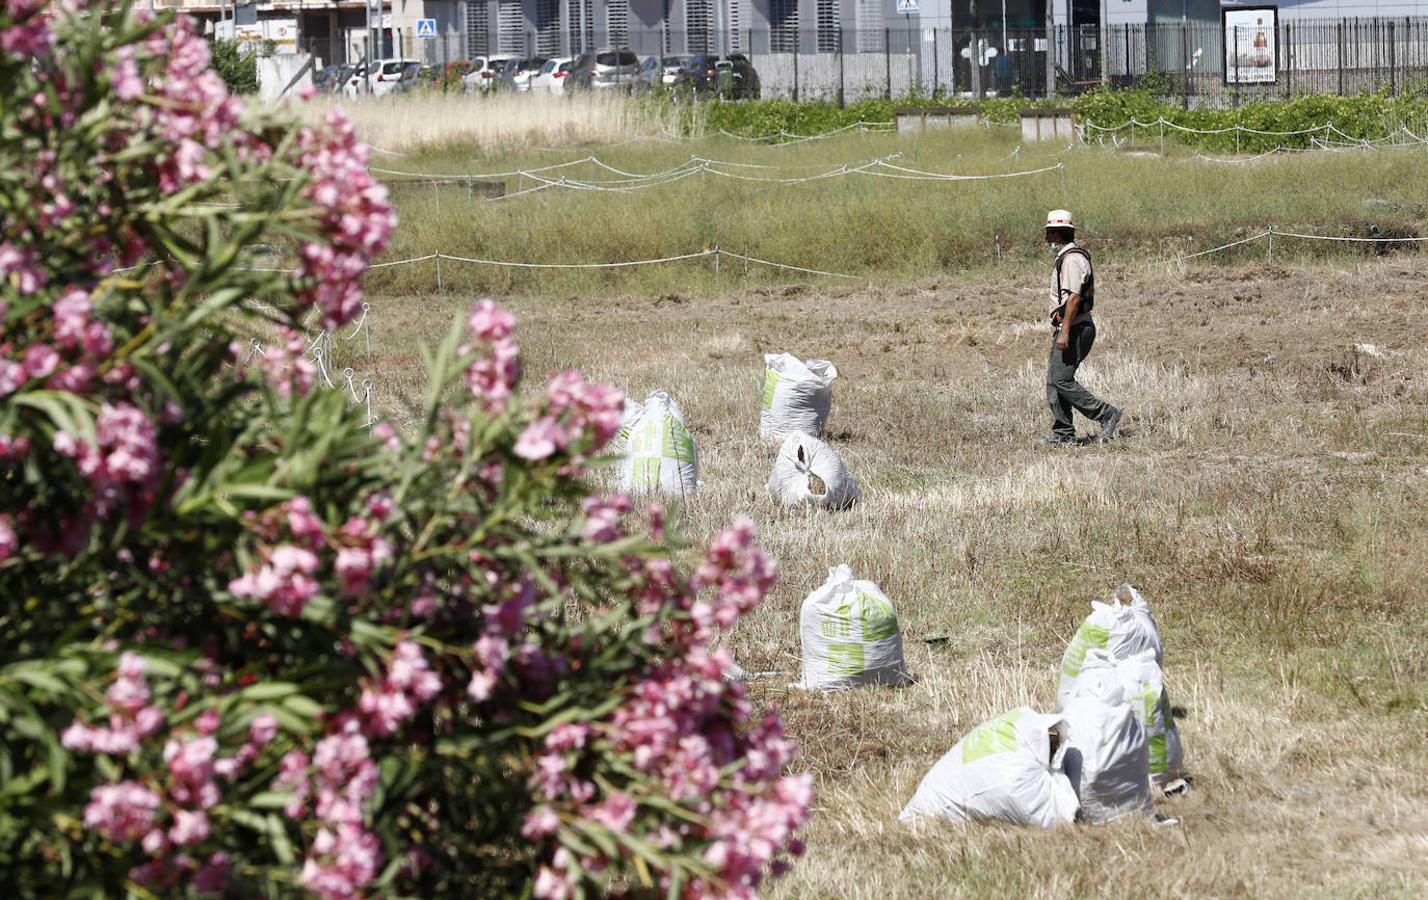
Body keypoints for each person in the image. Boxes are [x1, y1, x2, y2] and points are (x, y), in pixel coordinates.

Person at [1039, 210, 1121, 446]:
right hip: (1071, 326)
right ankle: (1063, 434)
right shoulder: (1068, 257)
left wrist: (1064, 331)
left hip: (1075, 327)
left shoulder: (1073, 260)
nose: (1046, 240)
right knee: (1055, 381)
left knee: (1062, 380)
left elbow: (1074, 299)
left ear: (1058, 235)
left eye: (1048, 234)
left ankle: (1106, 414)